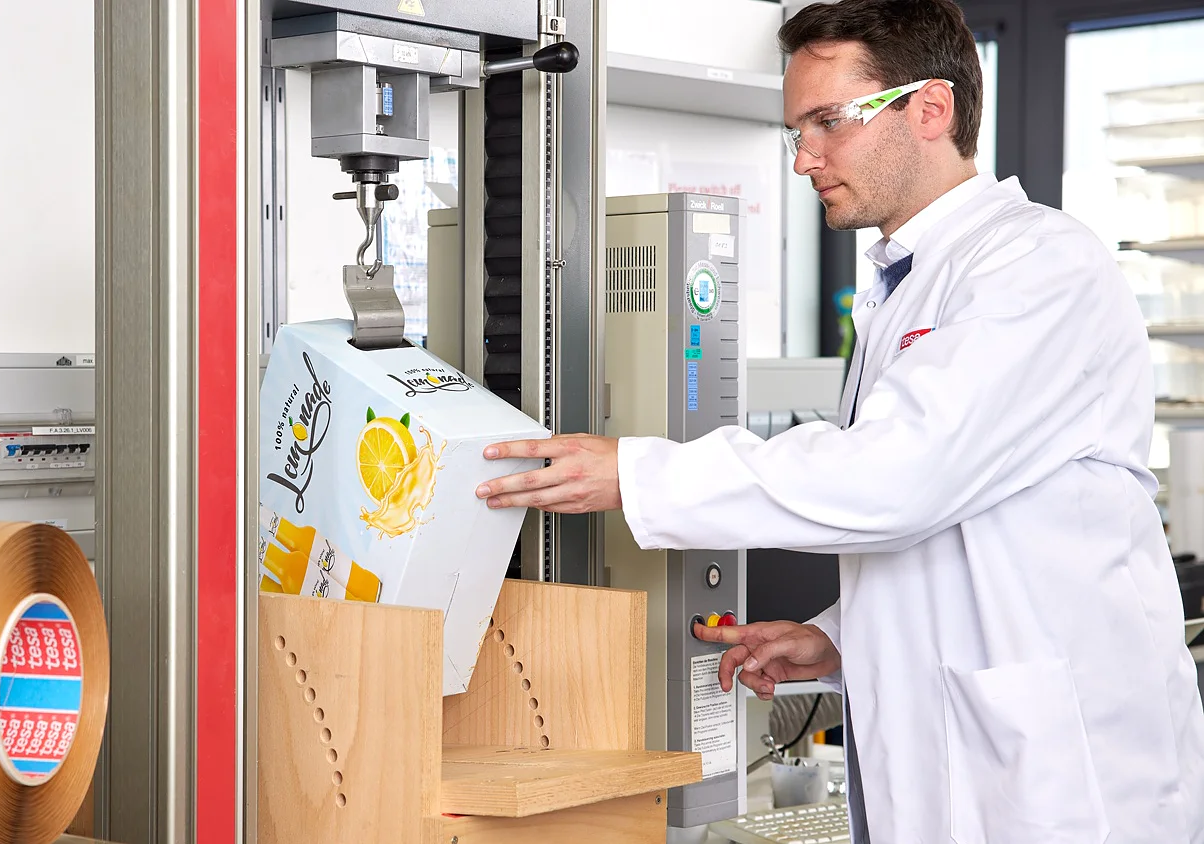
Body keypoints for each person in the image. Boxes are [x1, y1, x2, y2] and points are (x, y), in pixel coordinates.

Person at [474, 0, 1204, 840]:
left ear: (932, 109)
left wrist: (636, 472)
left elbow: (899, 478)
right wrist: (839, 636)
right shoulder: (909, 281)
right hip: (962, 770)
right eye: (797, 131)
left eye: (827, 122)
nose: (803, 159)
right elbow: (964, 527)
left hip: (1065, 783)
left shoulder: (1039, 264)